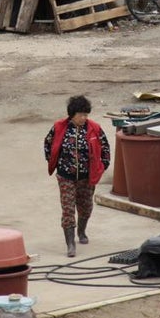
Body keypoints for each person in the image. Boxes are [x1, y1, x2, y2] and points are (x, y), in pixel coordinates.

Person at [44, 95, 110, 257]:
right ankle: (70, 244)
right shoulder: (60, 127)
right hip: (66, 176)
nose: (84, 118)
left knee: (85, 207)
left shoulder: (94, 128)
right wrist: (57, 163)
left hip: (87, 177)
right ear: (72, 114)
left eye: (86, 114)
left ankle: (81, 231)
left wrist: (101, 167)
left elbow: (105, 149)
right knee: (67, 209)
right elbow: (48, 144)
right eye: (81, 114)